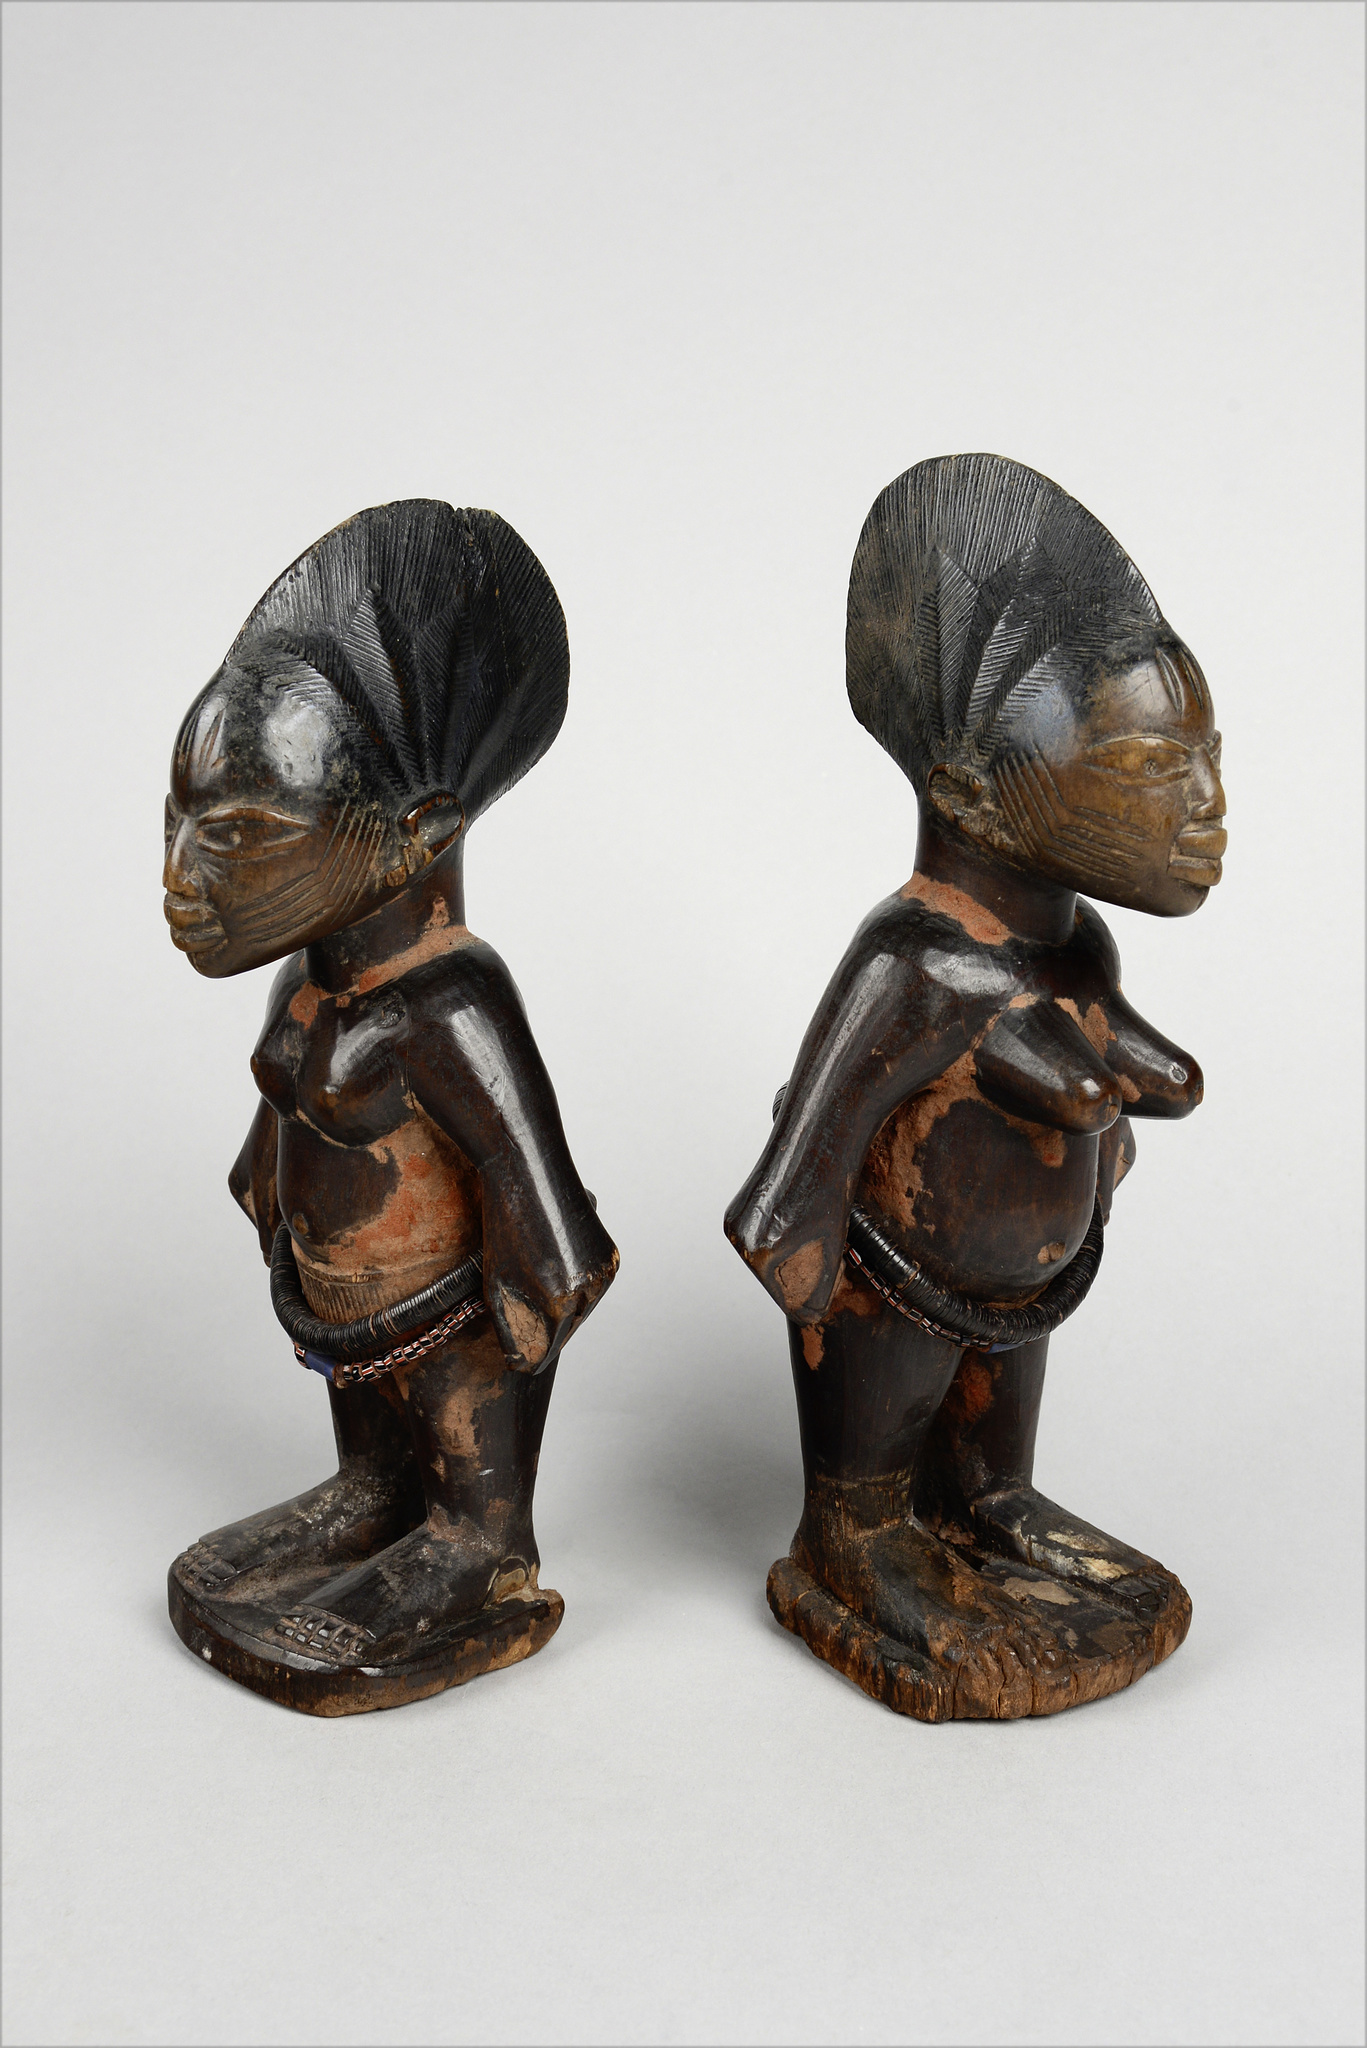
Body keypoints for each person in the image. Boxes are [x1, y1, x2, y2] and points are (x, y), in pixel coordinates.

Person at [725, 454, 1226, 1720]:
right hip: (892, 1279)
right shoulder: (913, 962)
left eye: (1201, 760)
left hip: (1021, 1278)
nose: (1203, 808)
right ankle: (853, 1538)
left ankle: (989, 1502)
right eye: (1148, 769)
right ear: (968, 791)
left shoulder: (1078, 942)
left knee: (991, 1456)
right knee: (876, 1466)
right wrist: (799, 1251)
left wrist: (1129, 1088)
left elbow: (1104, 1046)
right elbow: (806, 1150)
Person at [164, 500, 617, 1711]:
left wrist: (540, 1284)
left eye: (238, 833)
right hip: (342, 1305)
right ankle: (374, 1493)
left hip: (452, 1315)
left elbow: (531, 1181)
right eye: (179, 819)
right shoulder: (304, 977)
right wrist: (269, 1188)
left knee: (463, 1478)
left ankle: (475, 1541)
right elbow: (277, 1118)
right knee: (372, 1451)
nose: (181, 877)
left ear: (419, 832)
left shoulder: (450, 1001)